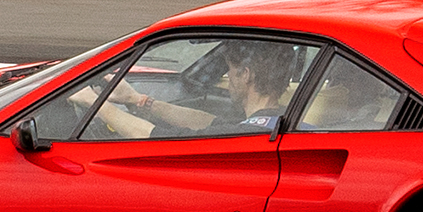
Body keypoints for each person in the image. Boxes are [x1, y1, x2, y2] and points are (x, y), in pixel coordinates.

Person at [93, 42, 302, 139]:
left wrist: (96, 105)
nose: (227, 78)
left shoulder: (244, 135)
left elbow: (154, 136)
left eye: (229, 70)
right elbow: (209, 123)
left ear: (245, 74)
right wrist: (139, 99)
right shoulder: (276, 120)